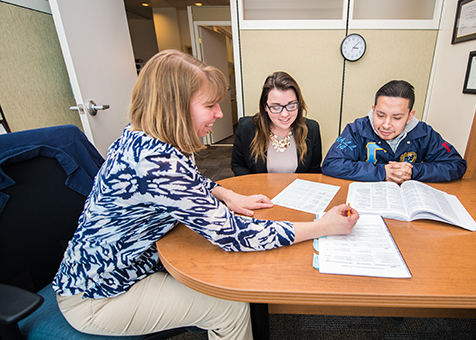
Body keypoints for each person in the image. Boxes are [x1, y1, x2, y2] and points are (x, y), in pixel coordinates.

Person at [52, 50, 358, 340]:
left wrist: (224, 193)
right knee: (231, 307)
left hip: (125, 266)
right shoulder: (156, 164)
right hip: (101, 295)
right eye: (210, 105)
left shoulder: (143, 136)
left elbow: (189, 180)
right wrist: (322, 227)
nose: (220, 113)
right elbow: (233, 234)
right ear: (176, 106)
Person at [322, 80, 466, 183]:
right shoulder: (357, 129)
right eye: (380, 115)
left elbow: (456, 164)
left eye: (396, 117)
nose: (386, 125)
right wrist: (382, 172)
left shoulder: (424, 133)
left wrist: (414, 171)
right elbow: (332, 164)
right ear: (373, 109)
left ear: (410, 116)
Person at [231, 71, 322, 175]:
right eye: (276, 107)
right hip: (260, 190)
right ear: (265, 106)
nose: (284, 114)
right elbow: (238, 165)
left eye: (291, 105)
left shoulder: (311, 129)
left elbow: (314, 171)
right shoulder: (246, 127)